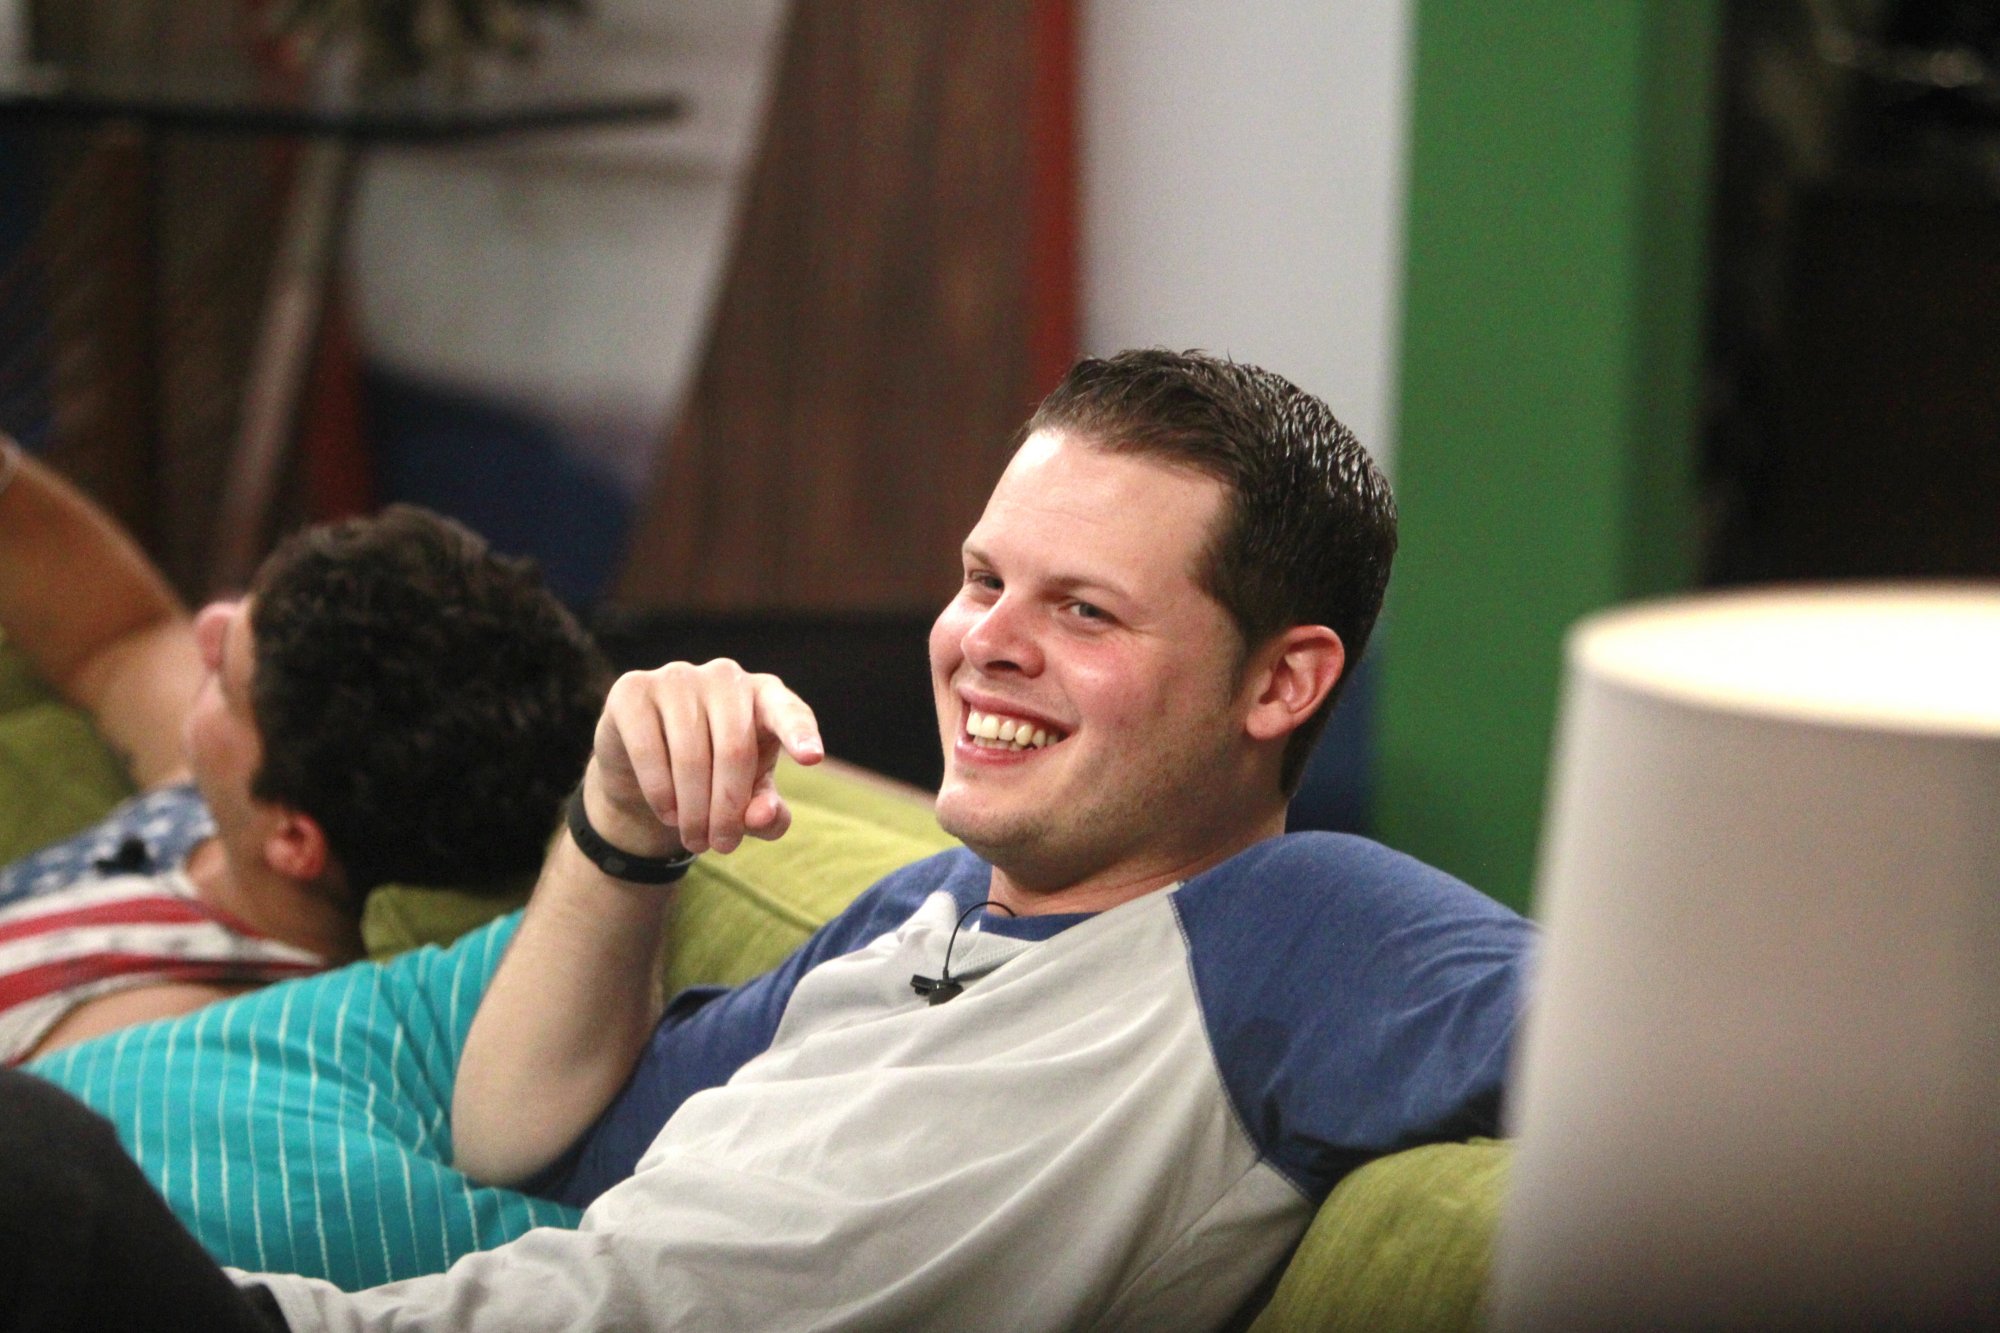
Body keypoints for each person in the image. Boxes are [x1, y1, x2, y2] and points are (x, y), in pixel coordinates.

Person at [1, 350, 1533, 1331]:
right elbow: (513, 1137)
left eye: (1082, 610)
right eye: (983, 578)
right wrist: (617, 825)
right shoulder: (912, 921)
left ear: (1284, 682)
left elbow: (1692, 1067)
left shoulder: (1306, 926)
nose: (984, 643)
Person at [0, 436, 608, 1062]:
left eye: (226, 681)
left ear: (295, 843)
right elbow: (121, 644)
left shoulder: (166, 1025)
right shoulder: (242, 805)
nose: (203, 626)